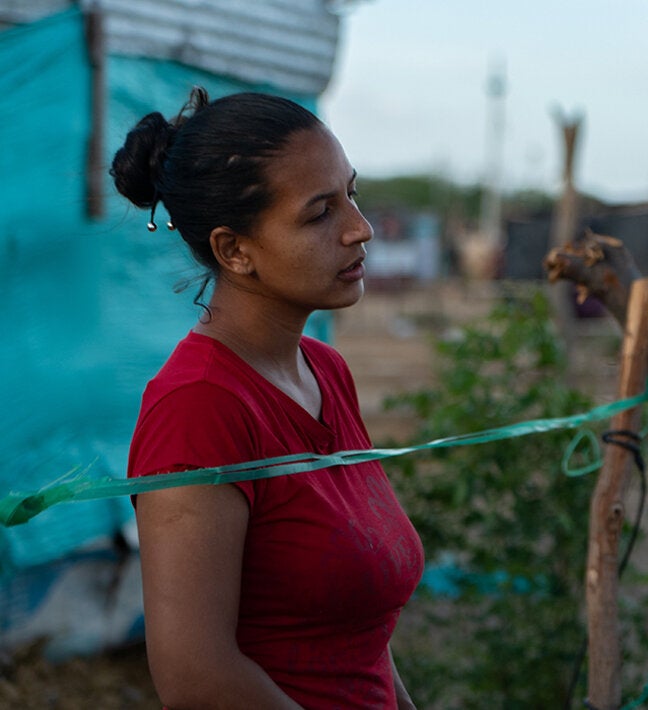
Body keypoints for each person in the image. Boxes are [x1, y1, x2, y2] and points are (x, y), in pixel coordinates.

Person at [113, 88, 424, 709]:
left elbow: (357, 641)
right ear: (235, 251)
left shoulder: (325, 372)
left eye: (352, 195)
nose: (360, 230)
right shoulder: (198, 408)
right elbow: (196, 677)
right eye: (319, 215)